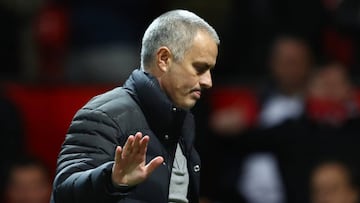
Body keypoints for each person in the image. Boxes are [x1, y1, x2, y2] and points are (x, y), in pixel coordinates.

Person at [51, 9, 219, 203]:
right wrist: (112, 180)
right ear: (163, 59)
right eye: (199, 68)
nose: (208, 81)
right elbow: (64, 192)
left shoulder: (182, 120)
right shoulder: (106, 114)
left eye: (210, 70)